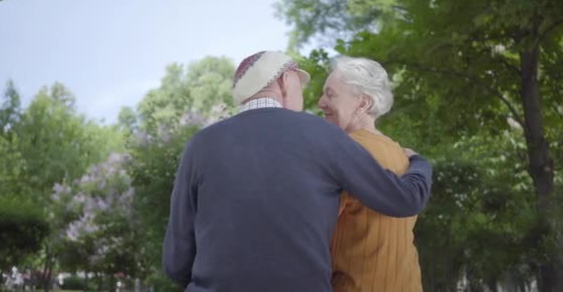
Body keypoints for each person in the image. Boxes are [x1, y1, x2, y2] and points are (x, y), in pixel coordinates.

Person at [162, 50, 432, 292]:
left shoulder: (200, 144)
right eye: (301, 86)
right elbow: (402, 199)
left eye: (328, 93)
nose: (314, 100)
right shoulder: (322, 135)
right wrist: (419, 162)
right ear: (284, 81)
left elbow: (176, 260)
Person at [319, 55, 423, 292]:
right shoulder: (401, 154)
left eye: (330, 94)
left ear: (363, 103)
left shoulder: (340, 154)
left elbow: (308, 233)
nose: (320, 102)